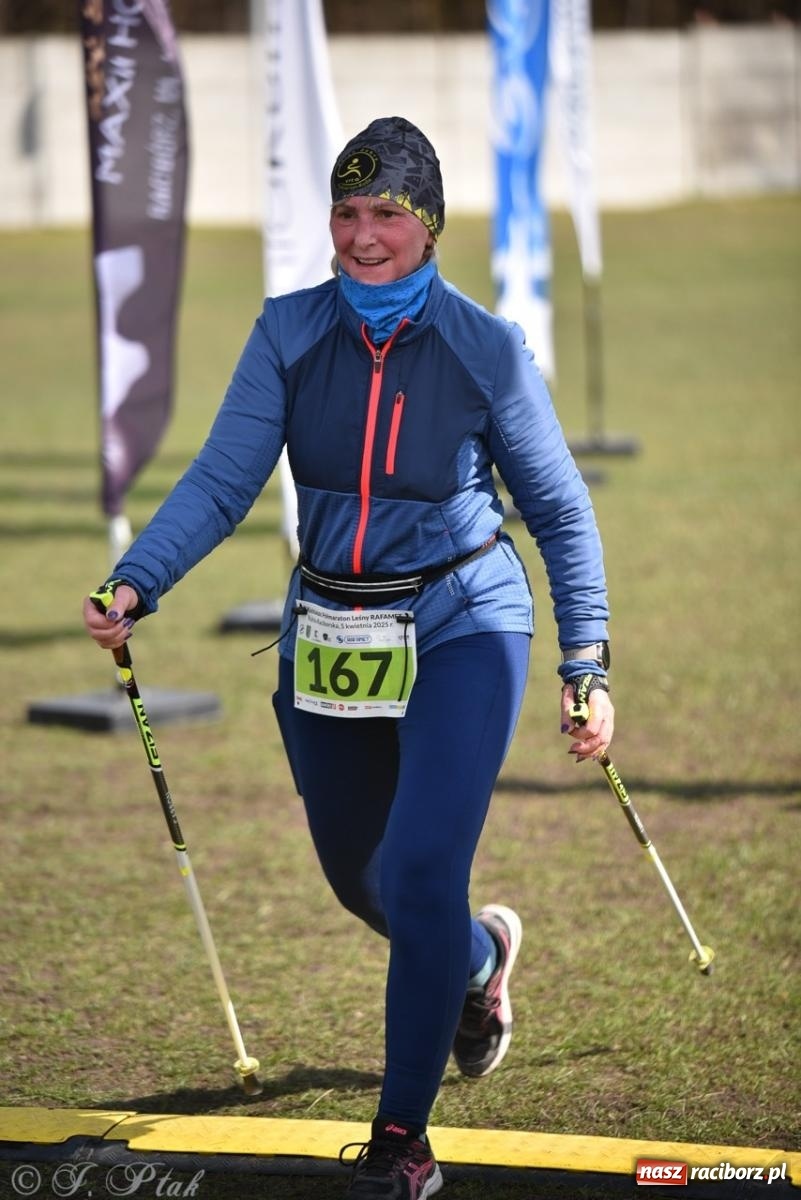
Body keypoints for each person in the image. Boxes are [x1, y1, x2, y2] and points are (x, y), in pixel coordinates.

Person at [83, 116, 614, 1200]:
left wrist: (586, 656)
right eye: (347, 212)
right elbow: (224, 479)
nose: (363, 236)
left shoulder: (486, 348)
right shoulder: (288, 332)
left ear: (428, 226)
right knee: (365, 880)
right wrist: (138, 578)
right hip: (328, 630)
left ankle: (401, 1144)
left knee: (420, 869)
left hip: (463, 620)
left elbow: (559, 509)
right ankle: (476, 959)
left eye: (387, 215)